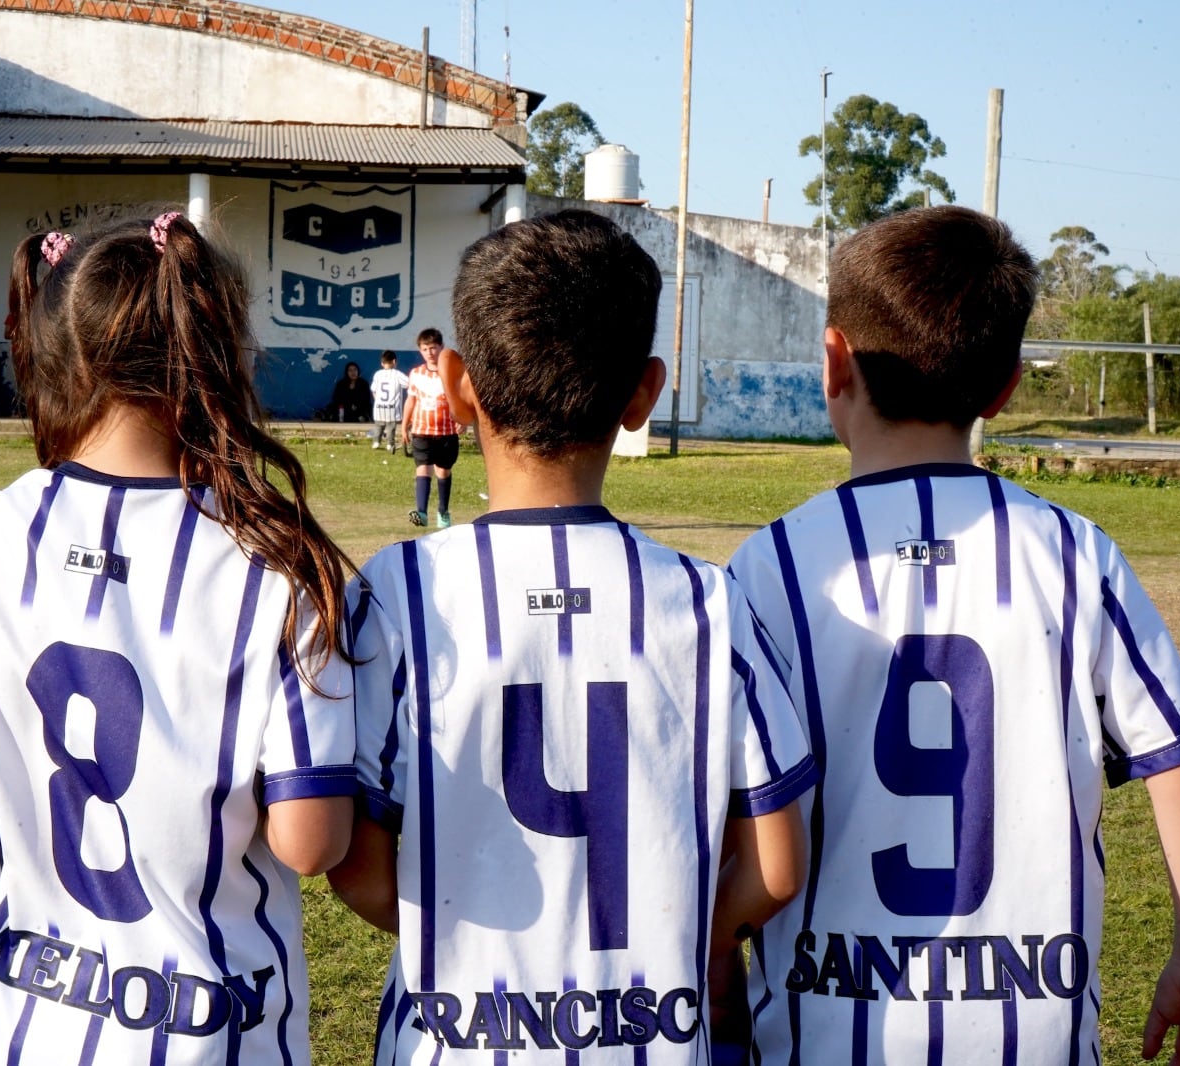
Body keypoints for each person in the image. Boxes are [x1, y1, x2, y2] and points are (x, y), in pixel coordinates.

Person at [0, 211, 360, 1064]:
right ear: (211, 350)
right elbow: (310, 844)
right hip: (222, 1039)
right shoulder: (276, 565)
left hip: (32, 1034)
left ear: (53, 347)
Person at [726, 206, 1180, 1065]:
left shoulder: (768, 566)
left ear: (833, 362)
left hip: (826, 1035)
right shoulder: (1072, 555)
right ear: (1006, 387)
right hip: (1029, 1036)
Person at [328, 209, 815, 1065]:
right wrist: (694, 942)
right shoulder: (710, 602)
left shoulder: (400, 595)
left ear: (460, 384)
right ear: (644, 395)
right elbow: (776, 867)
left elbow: (358, 870)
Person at [400, 328, 461, 528]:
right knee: (422, 469)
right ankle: (422, 512)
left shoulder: (451, 373)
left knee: (443, 471)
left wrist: (463, 419)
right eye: (425, 349)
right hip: (421, 431)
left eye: (433, 348)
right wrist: (404, 425)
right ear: (420, 350)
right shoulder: (416, 374)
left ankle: (443, 511)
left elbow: (459, 399)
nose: (430, 352)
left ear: (441, 347)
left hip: (446, 432)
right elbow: (411, 400)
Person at [368, 350, 407, 453]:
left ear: (382, 363)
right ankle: (390, 444)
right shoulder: (397, 374)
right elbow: (409, 383)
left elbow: (373, 390)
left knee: (379, 426)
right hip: (392, 407)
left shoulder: (378, 374)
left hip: (379, 406)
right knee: (391, 427)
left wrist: (377, 400)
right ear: (394, 361)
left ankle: (376, 442)